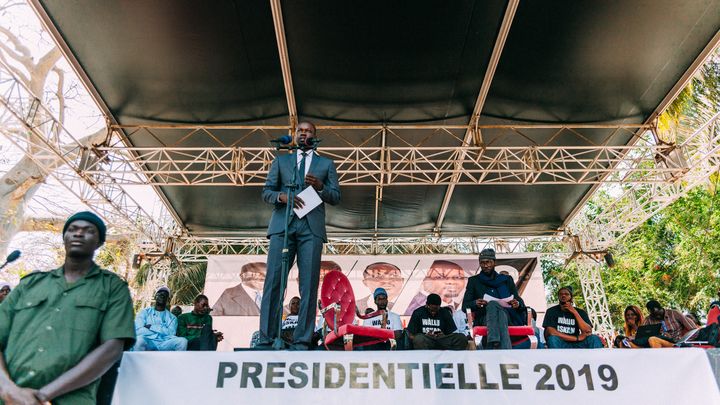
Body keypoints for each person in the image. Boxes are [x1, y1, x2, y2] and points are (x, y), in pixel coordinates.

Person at [0, 211, 135, 404]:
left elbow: (111, 349)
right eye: (72, 229)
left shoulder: (113, 288)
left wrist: (42, 396)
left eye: (88, 231)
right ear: (64, 238)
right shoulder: (30, 284)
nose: (78, 234)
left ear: (99, 243)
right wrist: (8, 390)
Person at [258, 120, 341, 350]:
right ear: (294, 135)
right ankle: (266, 338)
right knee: (274, 281)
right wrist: (282, 197)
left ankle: (302, 339)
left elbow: (336, 195)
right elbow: (266, 192)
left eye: (308, 131)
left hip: (310, 228)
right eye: (300, 131)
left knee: (309, 284)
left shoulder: (326, 164)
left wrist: (321, 187)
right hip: (283, 225)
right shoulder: (281, 160)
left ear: (315, 136)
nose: (303, 134)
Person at [462, 248, 525, 349]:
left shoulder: (506, 280)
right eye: (482, 263)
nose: (485, 265)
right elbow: (465, 306)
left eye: (488, 262)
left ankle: (493, 342)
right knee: (493, 305)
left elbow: (519, 301)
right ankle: (504, 349)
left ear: (494, 262)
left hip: (508, 316)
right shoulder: (474, 281)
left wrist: (517, 303)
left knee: (495, 307)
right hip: (484, 318)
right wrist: (475, 303)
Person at [133, 286, 187, 351]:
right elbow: (138, 330)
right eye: (160, 294)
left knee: (182, 341)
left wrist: (151, 326)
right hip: (148, 341)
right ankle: (137, 361)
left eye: (165, 296)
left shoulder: (172, 318)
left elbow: (171, 333)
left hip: (164, 342)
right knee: (139, 340)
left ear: (168, 300)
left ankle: (176, 361)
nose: (162, 296)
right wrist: (162, 331)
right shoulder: (144, 312)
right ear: (155, 297)